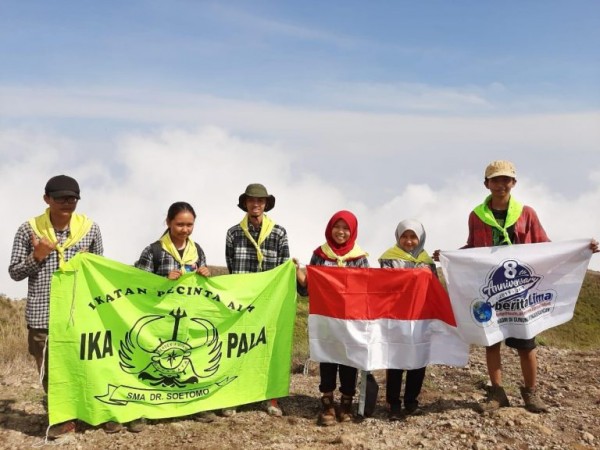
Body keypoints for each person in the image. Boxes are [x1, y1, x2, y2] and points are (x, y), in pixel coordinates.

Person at [433, 160, 599, 414]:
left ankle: (531, 393)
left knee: (526, 342)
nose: (501, 184)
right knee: (492, 341)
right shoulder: (477, 216)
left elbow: (545, 246)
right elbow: (474, 247)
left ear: (514, 183)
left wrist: (578, 251)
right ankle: (498, 393)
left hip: (522, 290)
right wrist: (448, 256)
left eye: (506, 180)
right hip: (492, 287)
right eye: (495, 180)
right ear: (486, 184)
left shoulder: (526, 213)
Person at [8, 175, 103, 439]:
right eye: (61, 197)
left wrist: (90, 263)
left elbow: (100, 271)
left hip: (79, 312)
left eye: (72, 198)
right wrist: (37, 256)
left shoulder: (90, 229)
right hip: (43, 314)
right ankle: (60, 420)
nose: (67, 203)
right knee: (50, 371)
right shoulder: (29, 230)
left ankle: (91, 411)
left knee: (85, 364)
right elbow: (15, 272)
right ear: (46, 199)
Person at [135, 201, 213, 425]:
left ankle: (194, 405)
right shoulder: (153, 251)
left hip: (187, 315)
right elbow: (139, 285)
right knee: (153, 359)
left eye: (190, 225)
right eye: (180, 224)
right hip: (159, 318)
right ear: (168, 222)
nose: (185, 229)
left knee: (187, 358)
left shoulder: (197, 250)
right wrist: (162, 280)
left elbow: (203, 285)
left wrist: (205, 273)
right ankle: (144, 409)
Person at [296, 210, 369, 426]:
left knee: (349, 360)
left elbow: (365, 290)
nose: (341, 232)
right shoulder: (319, 254)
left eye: (346, 228)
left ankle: (346, 403)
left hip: (350, 321)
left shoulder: (361, 258)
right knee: (327, 359)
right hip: (326, 318)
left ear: (353, 231)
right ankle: (327, 404)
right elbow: (309, 288)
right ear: (330, 228)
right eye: (337, 227)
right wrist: (299, 276)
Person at [225, 183, 290, 417]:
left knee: (268, 348)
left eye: (260, 201)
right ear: (245, 203)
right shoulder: (233, 233)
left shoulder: (279, 233)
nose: (256, 204)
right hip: (241, 302)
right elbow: (231, 268)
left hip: (269, 302)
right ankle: (234, 396)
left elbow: (284, 266)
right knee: (238, 348)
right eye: (252, 200)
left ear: (266, 204)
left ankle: (270, 398)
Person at [378, 219, 436, 421]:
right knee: (395, 359)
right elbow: (385, 285)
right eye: (405, 236)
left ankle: (411, 402)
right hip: (396, 316)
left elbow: (434, 288)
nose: (409, 241)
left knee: (418, 359)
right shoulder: (388, 258)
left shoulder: (428, 262)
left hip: (421, 317)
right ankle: (393, 403)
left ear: (420, 239)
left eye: (413, 237)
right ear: (398, 237)